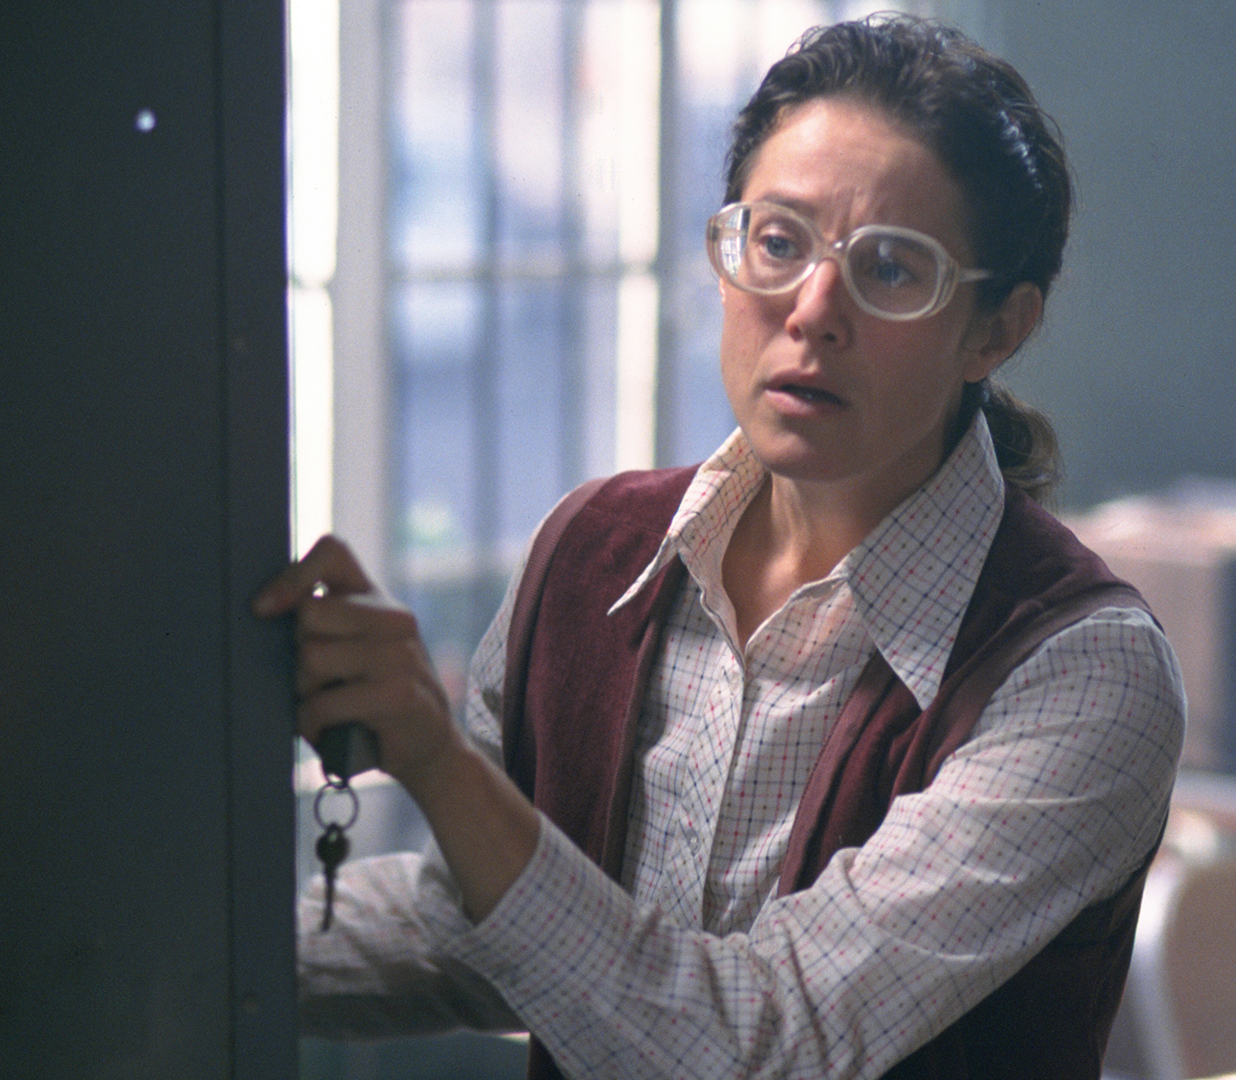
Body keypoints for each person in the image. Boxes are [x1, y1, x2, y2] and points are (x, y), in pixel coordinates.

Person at [256, 13, 1184, 1080]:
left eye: (891, 269)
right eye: (779, 242)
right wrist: (148, 930)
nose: (813, 311)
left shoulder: (1080, 670)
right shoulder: (593, 555)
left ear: (996, 331)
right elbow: (476, 927)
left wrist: (435, 761)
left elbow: (758, 1045)